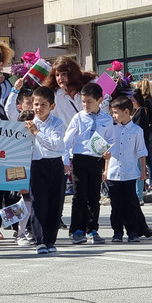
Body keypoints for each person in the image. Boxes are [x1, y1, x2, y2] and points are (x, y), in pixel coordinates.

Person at [63, 82, 114, 245]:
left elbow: (112, 139)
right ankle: (77, 229)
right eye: (83, 101)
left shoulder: (107, 119)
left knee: (94, 196)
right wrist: (65, 160)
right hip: (79, 159)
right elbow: (67, 140)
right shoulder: (78, 118)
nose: (86, 105)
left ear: (100, 100)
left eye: (89, 101)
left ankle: (93, 229)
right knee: (79, 196)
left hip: (96, 159)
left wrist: (108, 151)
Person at [104, 96, 152, 242]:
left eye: (115, 112)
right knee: (116, 206)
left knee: (131, 205)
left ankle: (132, 232)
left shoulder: (136, 130)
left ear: (126, 112)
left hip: (129, 173)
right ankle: (117, 232)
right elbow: (105, 150)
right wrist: (106, 168)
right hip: (114, 174)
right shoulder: (111, 129)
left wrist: (143, 170)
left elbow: (141, 151)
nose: (113, 116)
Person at [25, 86, 66, 254]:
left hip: (55, 164)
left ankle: (51, 239)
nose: (39, 108)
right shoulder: (27, 123)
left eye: (43, 104)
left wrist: (37, 133)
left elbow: (55, 144)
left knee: (55, 204)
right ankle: (39, 240)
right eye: (36, 104)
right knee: (38, 203)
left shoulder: (57, 123)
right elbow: (9, 112)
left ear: (52, 106)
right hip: (36, 165)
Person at [43, 57, 96, 126]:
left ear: (73, 73)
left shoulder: (92, 84)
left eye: (64, 74)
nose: (60, 78)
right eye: (57, 75)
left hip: (96, 133)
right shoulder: (54, 97)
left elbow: (106, 104)